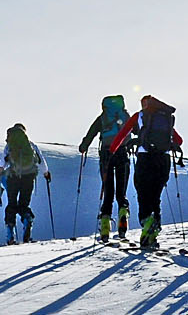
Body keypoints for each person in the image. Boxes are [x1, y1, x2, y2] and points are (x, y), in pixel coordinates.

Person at [109, 95, 181, 249]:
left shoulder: (140, 116)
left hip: (145, 157)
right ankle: (154, 232)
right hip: (164, 160)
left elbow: (123, 134)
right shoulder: (164, 117)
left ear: (144, 104)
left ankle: (147, 223)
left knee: (142, 193)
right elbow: (179, 140)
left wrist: (112, 150)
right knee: (156, 196)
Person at [77, 95, 132, 241]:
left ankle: (105, 226)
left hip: (106, 155)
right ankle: (123, 216)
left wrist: (83, 146)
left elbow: (91, 134)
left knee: (108, 192)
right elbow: (138, 130)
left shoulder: (102, 118)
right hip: (123, 152)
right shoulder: (125, 116)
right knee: (121, 193)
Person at [0, 123, 52, 245]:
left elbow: (2, 163)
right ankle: (27, 220)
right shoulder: (31, 145)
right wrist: (46, 173)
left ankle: (10, 236)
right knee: (24, 204)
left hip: (13, 177)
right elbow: (41, 160)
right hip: (29, 177)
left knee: (12, 205)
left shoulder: (9, 146)